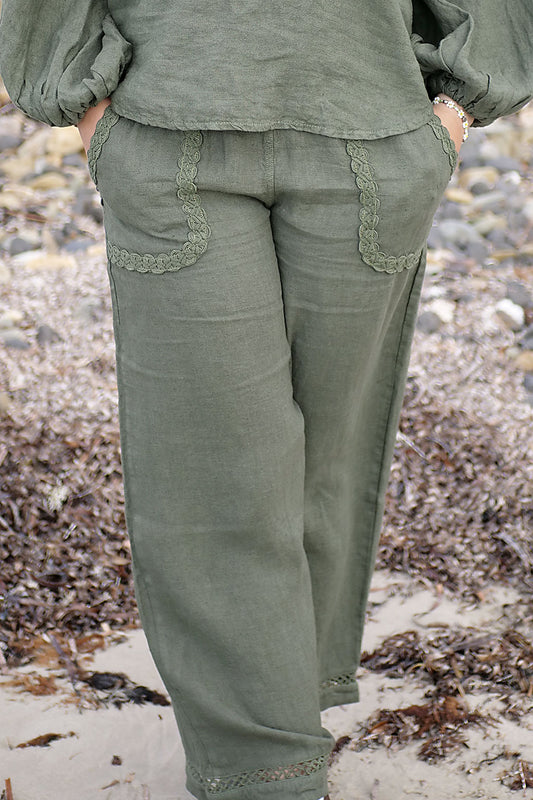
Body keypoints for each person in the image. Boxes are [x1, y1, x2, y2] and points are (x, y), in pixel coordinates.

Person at [0, 2, 531, 799]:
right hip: (167, 132)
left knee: (323, 463)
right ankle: (265, 772)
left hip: (373, 141)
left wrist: (458, 107)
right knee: (217, 475)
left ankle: (281, 696)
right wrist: (82, 96)